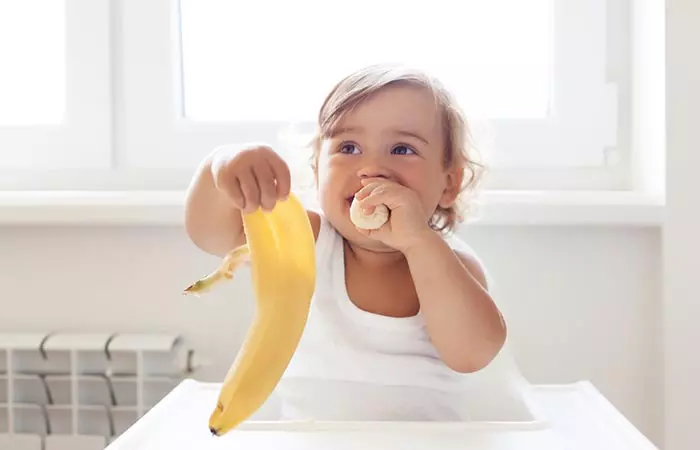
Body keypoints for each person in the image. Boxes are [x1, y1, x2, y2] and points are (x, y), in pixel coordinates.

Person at [184, 63, 511, 421]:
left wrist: (419, 241)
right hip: (311, 441)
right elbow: (210, 234)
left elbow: (472, 354)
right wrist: (221, 166)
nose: (371, 167)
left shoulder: (452, 264)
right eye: (349, 147)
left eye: (402, 149)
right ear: (316, 169)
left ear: (449, 184)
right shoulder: (305, 242)